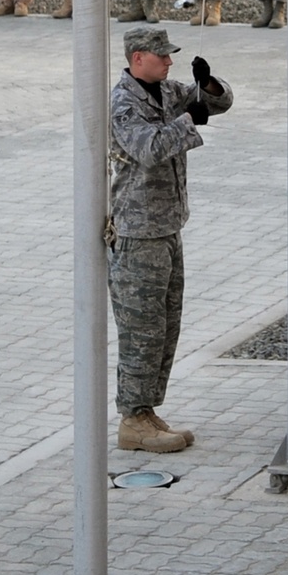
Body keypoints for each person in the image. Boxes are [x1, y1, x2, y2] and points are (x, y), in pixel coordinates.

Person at [108, 26, 233, 453]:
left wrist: (208, 84)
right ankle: (132, 417)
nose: (170, 62)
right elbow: (148, 147)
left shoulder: (164, 90)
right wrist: (187, 122)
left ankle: (145, 410)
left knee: (164, 325)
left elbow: (219, 103)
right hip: (137, 234)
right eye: (162, 56)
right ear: (137, 57)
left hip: (166, 227)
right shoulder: (125, 101)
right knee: (141, 329)